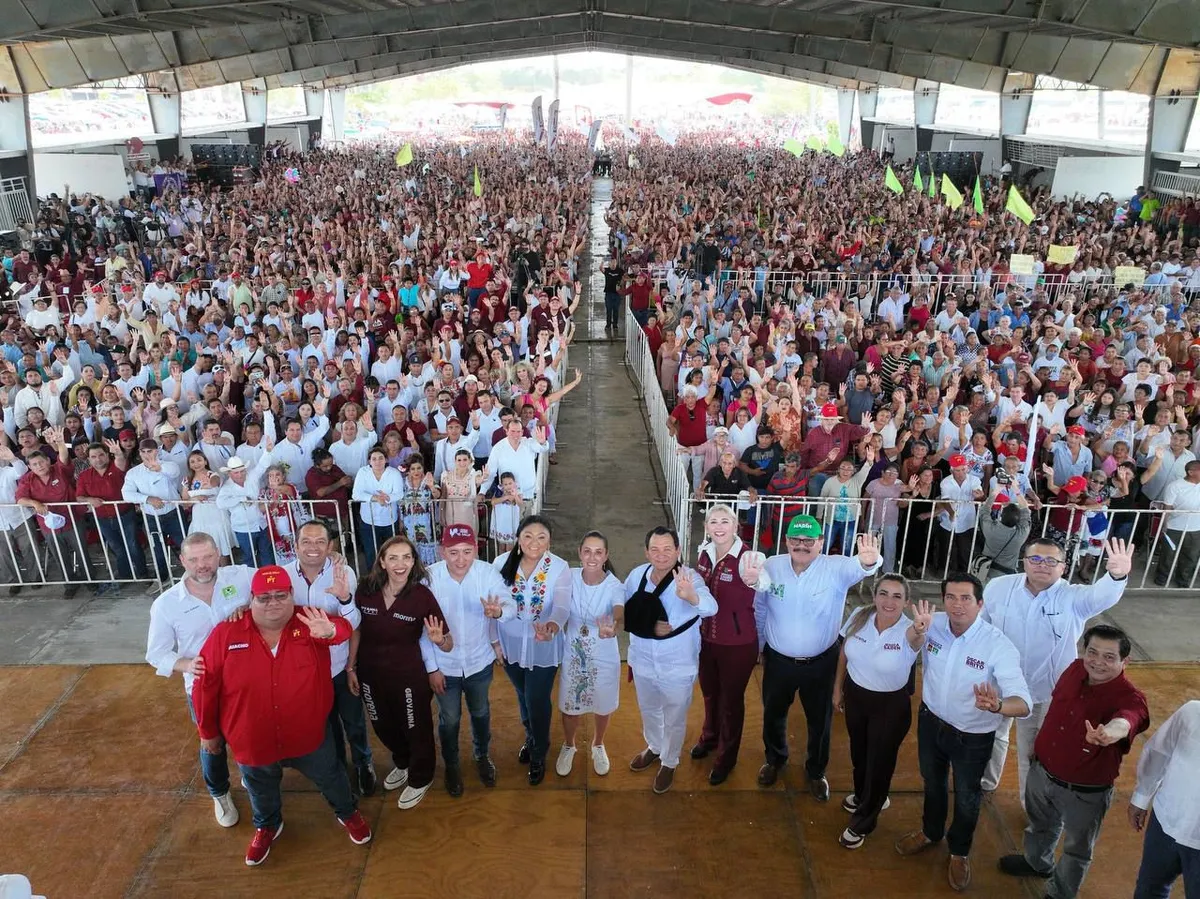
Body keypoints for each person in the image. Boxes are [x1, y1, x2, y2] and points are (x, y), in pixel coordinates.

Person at [192, 564, 373, 866]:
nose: (273, 603)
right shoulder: (226, 633)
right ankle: (267, 825)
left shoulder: (309, 619)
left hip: (308, 734)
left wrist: (330, 630)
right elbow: (204, 684)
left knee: (332, 776)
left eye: (280, 595)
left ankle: (348, 813)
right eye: (264, 597)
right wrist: (208, 732)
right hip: (253, 738)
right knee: (260, 787)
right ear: (251, 599)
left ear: (292, 595)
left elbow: (341, 630)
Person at [895, 575, 1032, 893]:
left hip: (972, 736)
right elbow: (910, 645)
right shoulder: (933, 623)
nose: (957, 605)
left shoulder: (997, 645)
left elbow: (1022, 703)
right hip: (931, 723)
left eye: (966, 598)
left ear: (980, 604)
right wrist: (917, 631)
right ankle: (930, 832)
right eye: (951, 597)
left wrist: (998, 705)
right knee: (932, 782)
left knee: (968, 797)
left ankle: (959, 851)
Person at [997, 624, 1149, 899]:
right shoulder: (1075, 669)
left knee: (1077, 848)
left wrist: (1108, 733)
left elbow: (1128, 720)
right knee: (1040, 825)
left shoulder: (1131, 698)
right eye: (1093, 652)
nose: (1098, 662)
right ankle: (1038, 862)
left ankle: (1061, 893)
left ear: (1125, 661)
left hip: (1083, 792)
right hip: (1042, 772)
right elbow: (1056, 709)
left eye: (1109, 656)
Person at [980, 537, 1132, 800]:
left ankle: (1032, 805)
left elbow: (1101, 595)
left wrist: (1116, 576)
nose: (1042, 565)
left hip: (1046, 691)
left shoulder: (1073, 597)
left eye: (1051, 560)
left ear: (1064, 567)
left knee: (1034, 750)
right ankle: (986, 781)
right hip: (1000, 683)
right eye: (1035, 559)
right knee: (992, 736)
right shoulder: (998, 587)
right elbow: (982, 628)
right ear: (1024, 561)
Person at [743, 516, 881, 800]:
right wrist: (758, 644)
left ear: (821, 543)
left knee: (820, 720)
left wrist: (868, 561)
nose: (801, 546)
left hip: (821, 663)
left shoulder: (836, 568)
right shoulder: (772, 566)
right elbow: (760, 607)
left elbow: (862, 567)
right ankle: (775, 759)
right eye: (796, 540)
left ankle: (816, 771)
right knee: (773, 713)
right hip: (778, 661)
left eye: (809, 541)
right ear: (786, 541)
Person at [144, 533, 253, 828]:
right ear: (182, 561)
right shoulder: (167, 604)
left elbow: (278, 580)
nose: (202, 565)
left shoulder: (240, 577)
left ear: (218, 554)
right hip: (202, 687)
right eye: (194, 560)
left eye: (207, 557)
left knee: (249, 733)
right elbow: (156, 654)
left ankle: (252, 777)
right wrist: (188, 664)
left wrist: (253, 604)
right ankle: (219, 792)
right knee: (212, 743)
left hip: (246, 680)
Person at [350, 534, 451, 811]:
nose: (400, 564)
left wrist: (438, 639)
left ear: (414, 562)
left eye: (406, 557)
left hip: (408, 676)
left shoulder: (421, 596)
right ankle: (404, 762)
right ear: (382, 561)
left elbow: (448, 641)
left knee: (415, 728)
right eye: (393, 557)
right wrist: (351, 667)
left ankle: (421, 777)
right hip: (370, 673)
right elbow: (355, 630)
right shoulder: (365, 590)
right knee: (382, 726)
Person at [623, 525, 718, 795]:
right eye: (654, 549)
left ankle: (669, 760)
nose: (661, 555)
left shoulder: (689, 578)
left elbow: (711, 607)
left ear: (678, 551)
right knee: (648, 708)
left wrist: (691, 596)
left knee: (674, 715)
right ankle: (654, 746)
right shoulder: (636, 575)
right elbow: (623, 606)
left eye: (667, 549)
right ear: (646, 552)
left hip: (677, 664)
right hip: (642, 659)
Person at [285, 520, 376, 797]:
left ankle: (363, 763)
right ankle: (337, 768)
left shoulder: (342, 572)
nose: (313, 548)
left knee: (353, 721)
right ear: (296, 545)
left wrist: (346, 599)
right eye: (307, 542)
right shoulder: (282, 575)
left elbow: (354, 625)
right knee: (324, 725)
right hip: (304, 672)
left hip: (337, 666)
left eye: (320, 542)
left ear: (330, 546)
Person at [426, 523, 514, 796]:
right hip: (445, 666)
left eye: (467, 552)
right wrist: (432, 669)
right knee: (449, 719)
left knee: (481, 712)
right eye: (453, 552)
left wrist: (498, 612)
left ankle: (481, 756)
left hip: (479, 661)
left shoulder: (487, 573)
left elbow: (509, 605)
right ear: (442, 552)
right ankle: (452, 765)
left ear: (475, 550)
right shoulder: (429, 578)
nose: (460, 559)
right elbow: (421, 630)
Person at [832, 574, 919, 850]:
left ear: (906, 601)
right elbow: (844, 651)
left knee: (879, 765)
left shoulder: (909, 629)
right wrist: (838, 688)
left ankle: (863, 822)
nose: (889, 601)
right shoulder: (860, 614)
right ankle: (863, 796)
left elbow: (917, 640)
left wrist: (922, 628)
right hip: (856, 697)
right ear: (874, 594)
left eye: (897, 596)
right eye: (884, 593)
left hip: (889, 706)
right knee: (859, 754)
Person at [494, 515, 572, 785]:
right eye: (528, 536)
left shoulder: (559, 567)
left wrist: (551, 625)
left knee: (537, 699)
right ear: (518, 538)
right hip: (511, 644)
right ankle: (531, 736)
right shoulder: (500, 564)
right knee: (522, 694)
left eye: (541, 537)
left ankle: (539, 751)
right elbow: (492, 607)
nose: (534, 542)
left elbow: (562, 606)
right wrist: (495, 643)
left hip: (543, 646)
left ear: (549, 540)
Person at [690, 503, 760, 785]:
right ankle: (710, 736)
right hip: (707, 639)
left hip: (738, 644)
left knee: (731, 702)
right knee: (709, 693)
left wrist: (758, 580)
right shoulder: (703, 554)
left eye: (725, 521)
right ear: (707, 527)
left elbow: (763, 584)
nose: (719, 526)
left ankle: (726, 757)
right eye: (713, 521)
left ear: (735, 526)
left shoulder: (749, 558)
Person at [556, 530, 624, 777]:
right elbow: (558, 604)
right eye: (587, 551)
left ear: (606, 555)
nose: (592, 557)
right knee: (569, 704)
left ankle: (598, 743)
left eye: (598, 552)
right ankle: (569, 744)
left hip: (603, 655)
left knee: (602, 703)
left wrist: (614, 627)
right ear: (579, 553)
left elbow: (619, 612)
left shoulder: (615, 585)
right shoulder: (569, 577)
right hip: (574, 653)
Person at [1128, 700, 1200, 899]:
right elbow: (1160, 752)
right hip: (1164, 822)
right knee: (1149, 888)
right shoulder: (1192, 712)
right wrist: (1141, 798)